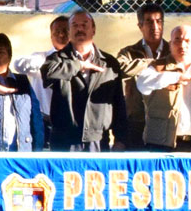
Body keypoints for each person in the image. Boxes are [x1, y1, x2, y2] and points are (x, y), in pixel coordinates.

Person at [41, 12, 136, 151]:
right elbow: (48, 73)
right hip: (65, 141)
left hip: (97, 141)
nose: (80, 29)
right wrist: (79, 65)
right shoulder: (57, 59)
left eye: (84, 25)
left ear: (93, 29)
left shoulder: (109, 62)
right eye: (75, 25)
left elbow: (118, 103)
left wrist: (121, 139)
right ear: (69, 31)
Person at [133, 25, 191, 153]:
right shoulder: (157, 67)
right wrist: (175, 77)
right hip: (161, 145)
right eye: (177, 40)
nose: (182, 45)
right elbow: (142, 84)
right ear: (170, 44)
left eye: (188, 41)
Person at [114, 5, 170, 149]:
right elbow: (120, 68)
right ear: (140, 26)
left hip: (166, 121)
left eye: (159, 21)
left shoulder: (173, 51)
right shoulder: (129, 52)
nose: (155, 26)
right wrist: (154, 63)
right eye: (149, 22)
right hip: (136, 120)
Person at [11, 14, 69, 124]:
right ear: (51, 36)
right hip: (43, 120)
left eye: (66, 31)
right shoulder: (41, 57)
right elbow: (18, 65)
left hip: (71, 120)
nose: (61, 35)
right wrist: (48, 64)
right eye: (57, 32)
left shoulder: (81, 60)